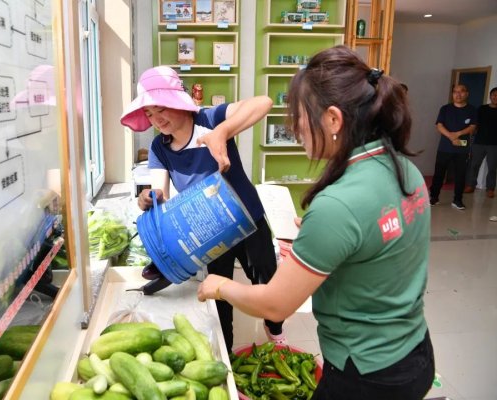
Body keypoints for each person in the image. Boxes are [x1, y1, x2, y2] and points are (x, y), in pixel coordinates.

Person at [197, 46, 435, 400]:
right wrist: (320, 240)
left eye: (299, 115)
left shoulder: (338, 205)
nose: (293, 128)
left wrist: (219, 286)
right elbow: (379, 244)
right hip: (415, 351)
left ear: (334, 119)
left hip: (365, 374)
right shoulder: (405, 168)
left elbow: (275, 305)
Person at [120, 66, 286, 351]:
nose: (156, 119)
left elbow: (263, 102)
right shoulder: (159, 148)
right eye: (149, 113)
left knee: (267, 280)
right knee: (220, 294)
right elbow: (160, 193)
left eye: (161, 109)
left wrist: (221, 133)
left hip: (248, 219)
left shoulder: (209, 118)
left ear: (178, 102)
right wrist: (147, 198)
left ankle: (275, 329)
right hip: (210, 233)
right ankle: (227, 353)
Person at [428, 84, 477, 210]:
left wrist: (458, 134)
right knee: (439, 173)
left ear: (467, 94)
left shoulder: (472, 110)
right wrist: (451, 136)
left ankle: (457, 200)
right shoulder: (445, 109)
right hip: (444, 148)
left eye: (461, 91)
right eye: (455, 92)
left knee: (460, 175)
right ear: (452, 94)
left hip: (462, 149)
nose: (458, 94)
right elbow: (439, 125)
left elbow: (472, 127)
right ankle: (434, 197)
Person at [464, 87, 497, 198]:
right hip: (479, 142)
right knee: (474, 165)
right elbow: (475, 124)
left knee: (492, 167)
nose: (495, 97)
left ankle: (490, 189)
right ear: (490, 96)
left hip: (494, 145)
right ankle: (470, 185)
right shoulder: (482, 109)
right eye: (494, 94)